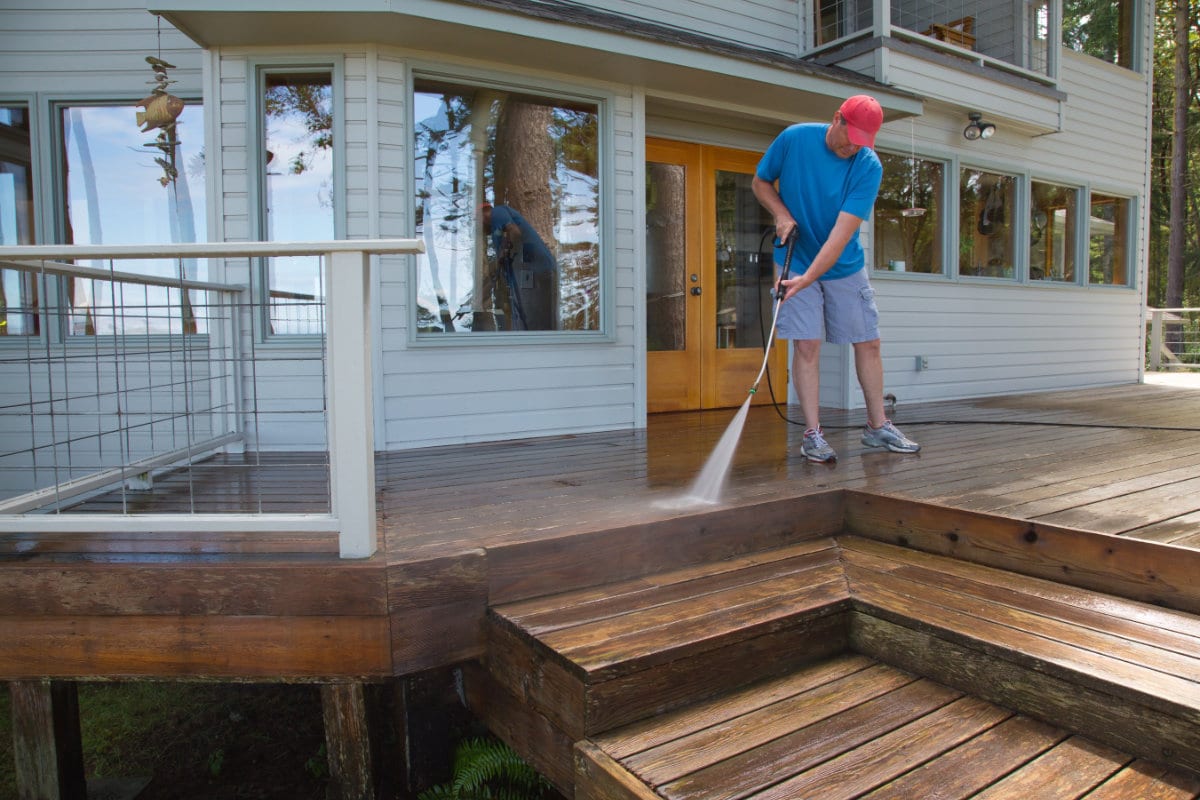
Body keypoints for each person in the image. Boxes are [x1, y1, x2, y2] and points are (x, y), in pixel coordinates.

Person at [752, 94, 920, 463]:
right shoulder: (794, 139)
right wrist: (780, 213)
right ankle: (812, 434)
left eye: (863, 142)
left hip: (842, 263)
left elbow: (839, 237)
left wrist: (809, 279)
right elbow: (761, 182)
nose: (852, 148)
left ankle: (877, 427)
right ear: (837, 119)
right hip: (795, 258)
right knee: (807, 345)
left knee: (868, 342)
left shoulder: (868, 165)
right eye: (850, 138)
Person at [480, 203, 559, 331]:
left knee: (538, 321)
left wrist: (501, 256)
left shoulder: (497, 213)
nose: (480, 229)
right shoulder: (496, 231)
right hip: (528, 278)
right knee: (528, 320)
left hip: (538, 271)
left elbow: (514, 232)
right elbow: (498, 266)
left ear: (482, 215)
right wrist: (483, 295)